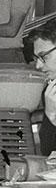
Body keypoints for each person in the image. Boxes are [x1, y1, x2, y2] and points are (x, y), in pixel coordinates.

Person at [28, 19, 56, 155]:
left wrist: (53, 117)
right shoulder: (50, 90)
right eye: (36, 58)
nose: (38, 66)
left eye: (44, 56)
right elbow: (48, 151)